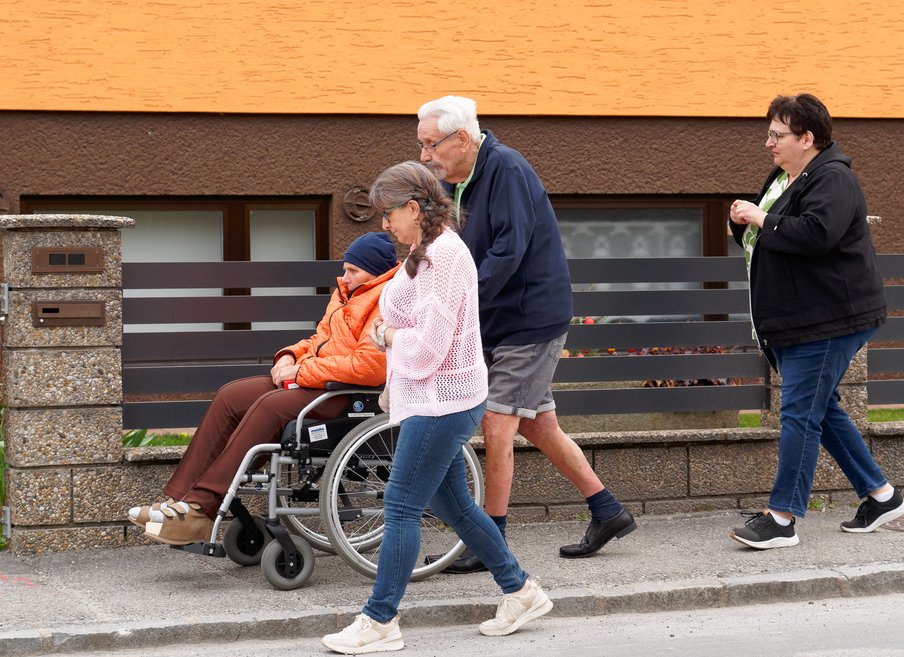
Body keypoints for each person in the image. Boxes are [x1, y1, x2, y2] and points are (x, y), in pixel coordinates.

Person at [321, 161, 552, 654]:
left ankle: (380, 620)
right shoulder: (420, 254)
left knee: (400, 505)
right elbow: (394, 313)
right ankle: (520, 590)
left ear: (412, 208)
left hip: (443, 399)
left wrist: (388, 335)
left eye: (388, 214)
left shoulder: (445, 257)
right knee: (456, 508)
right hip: (430, 396)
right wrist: (393, 330)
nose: (384, 224)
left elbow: (425, 347)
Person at [414, 95, 636, 573]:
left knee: (498, 424)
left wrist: (460, 301)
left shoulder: (506, 170)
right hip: (498, 318)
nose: (425, 156)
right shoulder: (456, 181)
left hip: (529, 319)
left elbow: (509, 250)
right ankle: (608, 510)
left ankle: (488, 540)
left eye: (431, 145)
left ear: (462, 139)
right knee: (537, 424)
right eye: (421, 146)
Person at [127, 232, 400, 545]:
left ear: (376, 271)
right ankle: (180, 500)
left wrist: (302, 370)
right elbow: (320, 341)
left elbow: (369, 366)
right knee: (231, 395)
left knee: (270, 406)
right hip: (316, 381)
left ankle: (200, 507)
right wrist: (290, 354)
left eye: (353, 271)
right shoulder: (345, 293)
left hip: (346, 396)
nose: (344, 276)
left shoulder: (385, 300)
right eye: (345, 268)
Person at [727, 93, 904, 550]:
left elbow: (816, 235)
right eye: (768, 133)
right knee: (820, 410)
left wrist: (761, 217)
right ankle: (882, 496)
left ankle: (782, 517)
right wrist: (742, 220)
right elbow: (766, 235)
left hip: (829, 318)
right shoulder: (785, 177)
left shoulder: (833, 178)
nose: (768, 143)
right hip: (797, 318)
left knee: (799, 413)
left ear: (807, 138)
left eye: (777, 135)